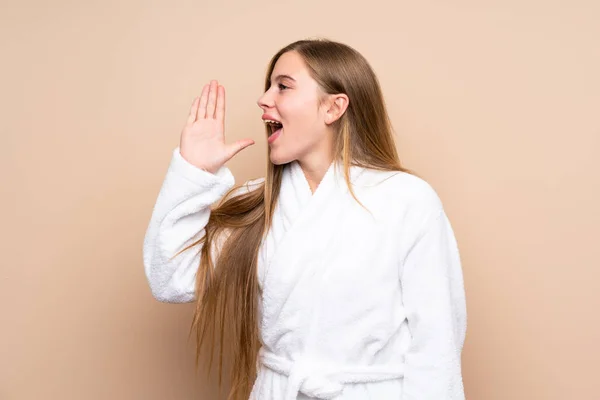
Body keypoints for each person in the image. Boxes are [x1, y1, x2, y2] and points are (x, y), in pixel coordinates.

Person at [143, 39, 467, 400]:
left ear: (333, 107)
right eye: (268, 87)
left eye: (282, 86)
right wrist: (195, 173)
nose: (264, 99)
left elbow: (437, 344)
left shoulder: (407, 200)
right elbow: (170, 279)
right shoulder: (257, 203)